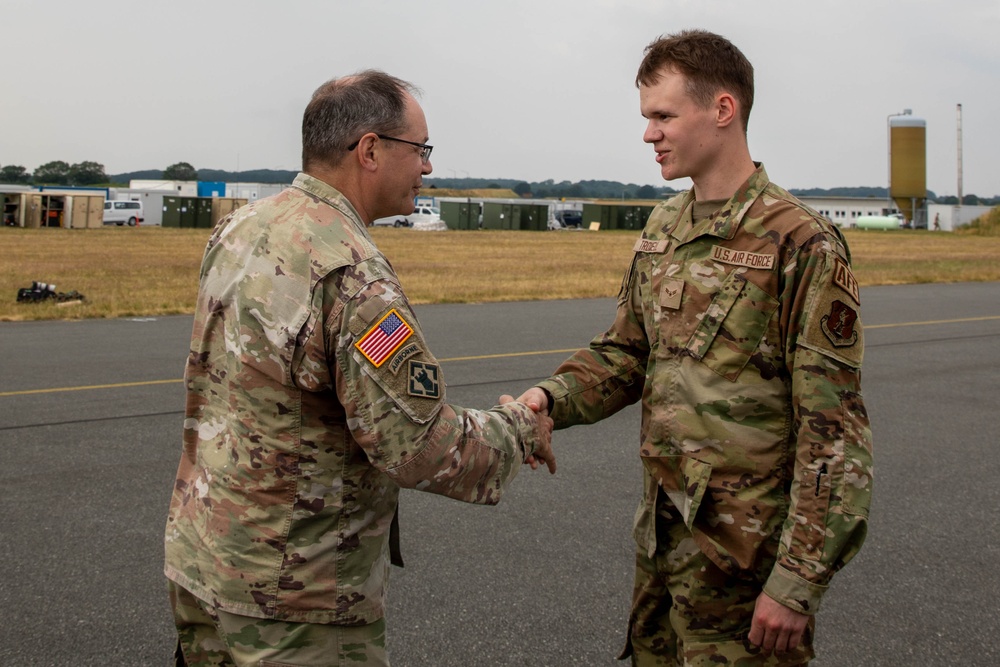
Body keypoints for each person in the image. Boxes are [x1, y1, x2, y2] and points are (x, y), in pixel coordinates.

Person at [164, 69, 555, 667]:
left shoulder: (241, 228)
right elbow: (419, 447)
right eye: (420, 150)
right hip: (296, 599)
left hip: (205, 562)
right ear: (370, 150)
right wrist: (520, 427)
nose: (428, 167)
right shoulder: (351, 274)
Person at [516, 30, 873, 665]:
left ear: (722, 110)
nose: (648, 134)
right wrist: (548, 400)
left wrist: (795, 583)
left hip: (747, 567)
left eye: (663, 116)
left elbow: (834, 434)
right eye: (646, 117)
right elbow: (626, 355)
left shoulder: (801, 244)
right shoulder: (663, 227)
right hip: (662, 549)